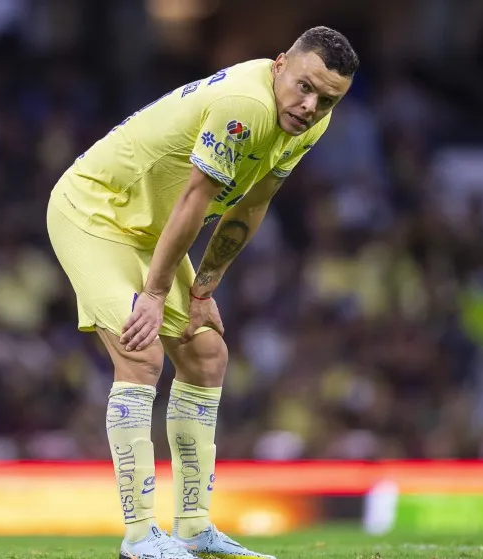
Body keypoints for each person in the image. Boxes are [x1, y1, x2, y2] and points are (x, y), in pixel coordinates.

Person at [47, 26, 358, 559]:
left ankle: (192, 528)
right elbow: (197, 196)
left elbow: (252, 203)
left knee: (206, 354)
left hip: (150, 230)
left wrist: (206, 286)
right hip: (94, 211)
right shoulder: (245, 105)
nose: (310, 106)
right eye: (304, 87)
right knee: (140, 350)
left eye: (327, 99)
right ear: (281, 63)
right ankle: (140, 535)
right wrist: (155, 292)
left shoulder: (310, 123)